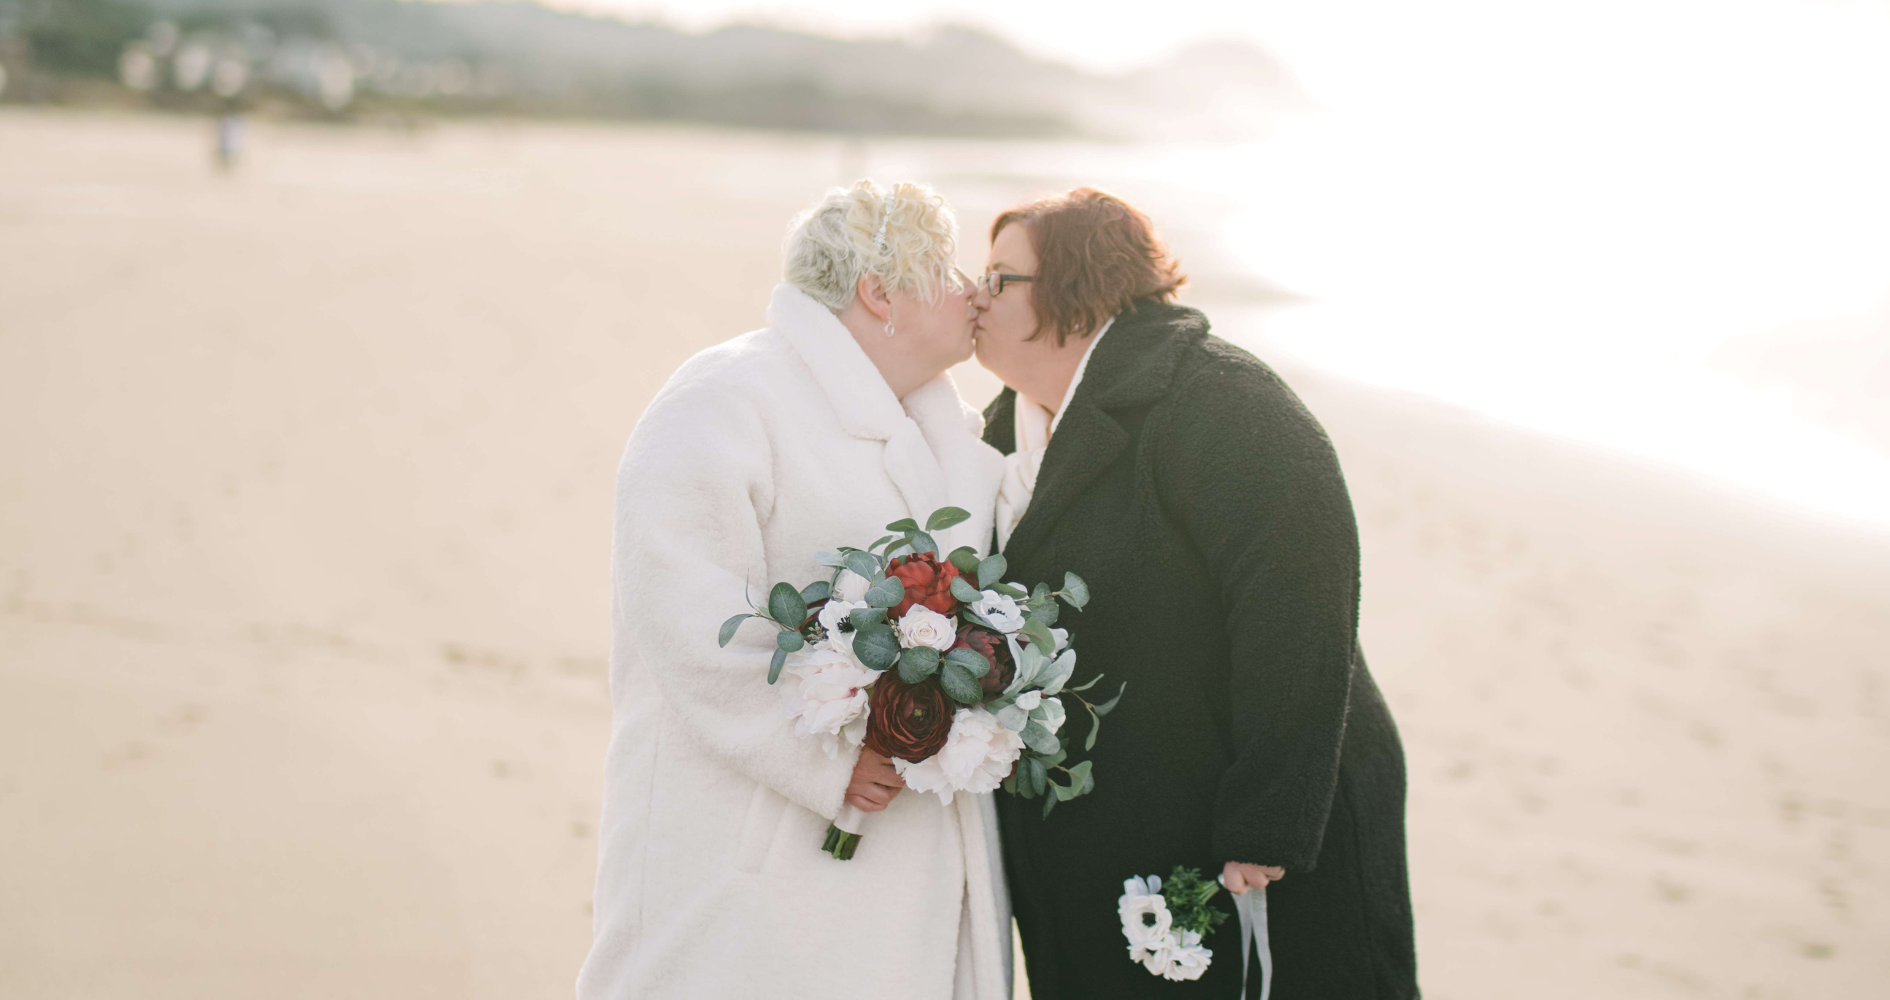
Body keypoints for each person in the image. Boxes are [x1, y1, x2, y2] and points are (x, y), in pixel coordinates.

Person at [970, 188, 1418, 998]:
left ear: (1077, 288)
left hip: (1251, 821)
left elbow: (1297, 602)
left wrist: (1268, 822)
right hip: (1123, 811)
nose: (977, 295)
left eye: (1001, 279)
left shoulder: (1218, 398)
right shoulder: (1004, 428)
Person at [576, 179, 1012, 999]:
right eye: (945, 267)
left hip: (907, 857)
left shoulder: (946, 430)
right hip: (754, 841)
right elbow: (682, 609)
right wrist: (825, 753)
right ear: (879, 292)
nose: (970, 288)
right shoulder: (725, 398)